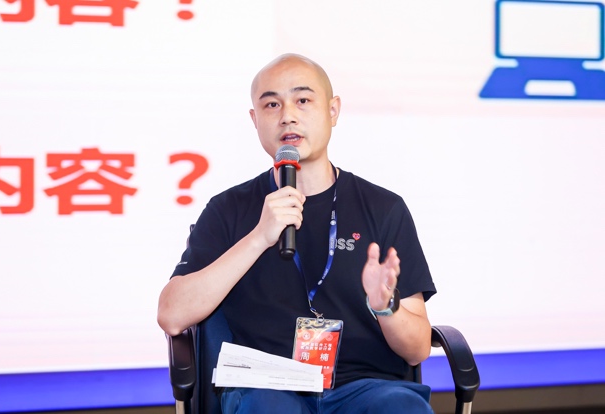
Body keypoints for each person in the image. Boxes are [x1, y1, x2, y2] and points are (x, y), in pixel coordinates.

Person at [157, 53, 437, 413]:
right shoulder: (228, 209)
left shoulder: (384, 208)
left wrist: (386, 307)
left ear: (333, 111)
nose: (287, 115)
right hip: (267, 388)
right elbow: (172, 315)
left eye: (303, 100)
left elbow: (417, 350)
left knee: (400, 407)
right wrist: (259, 237)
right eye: (272, 104)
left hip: (363, 389)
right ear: (255, 120)